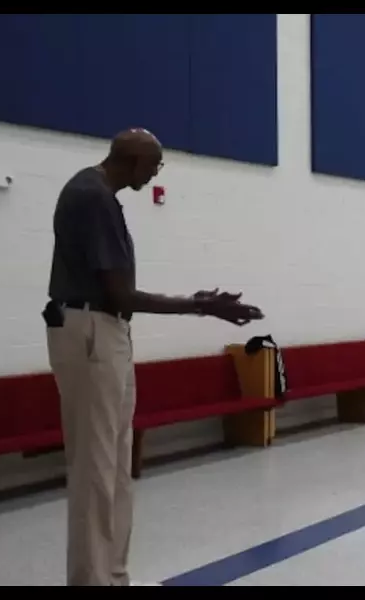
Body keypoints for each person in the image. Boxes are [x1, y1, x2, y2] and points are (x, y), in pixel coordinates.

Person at [45, 129, 263, 586]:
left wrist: (199, 303)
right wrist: (201, 305)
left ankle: (114, 576)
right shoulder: (91, 197)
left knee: (116, 467)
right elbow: (120, 293)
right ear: (133, 160)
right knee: (95, 471)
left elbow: (118, 296)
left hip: (106, 331)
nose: (156, 174)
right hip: (90, 333)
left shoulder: (102, 195)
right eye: (155, 166)